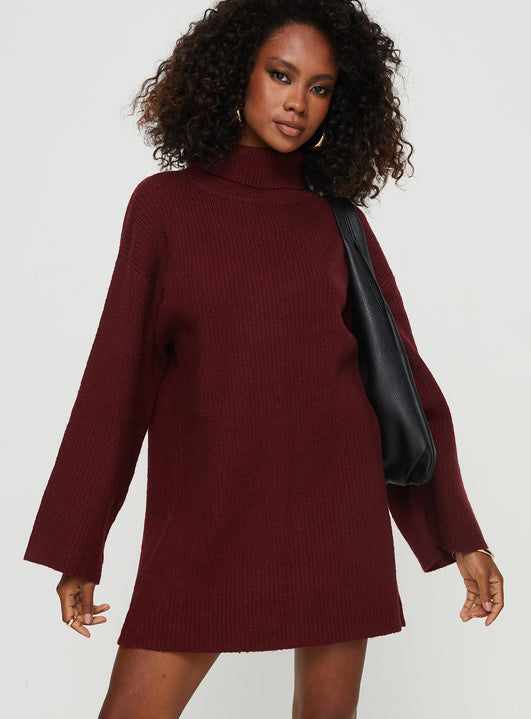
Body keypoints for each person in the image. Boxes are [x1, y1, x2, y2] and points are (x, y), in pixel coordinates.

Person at [23, 1, 504, 717]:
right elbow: (115, 383)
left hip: (334, 518)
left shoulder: (336, 219)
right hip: (208, 517)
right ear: (234, 73)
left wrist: (460, 536)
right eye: (281, 74)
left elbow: (401, 384)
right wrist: (78, 543)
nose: (297, 102)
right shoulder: (165, 206)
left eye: (319, 87)